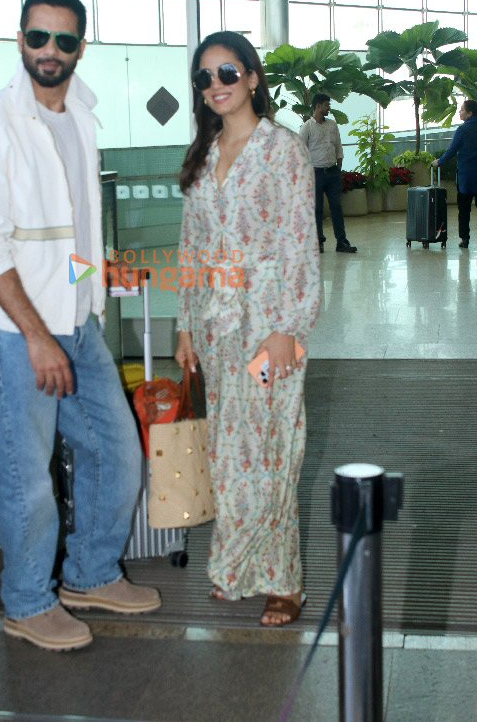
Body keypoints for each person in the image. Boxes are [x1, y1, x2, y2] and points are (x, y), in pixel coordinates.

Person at [0, 0, 160, 651]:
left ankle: (90, 575)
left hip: (76, 320)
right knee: (25, 472)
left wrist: (98, 274)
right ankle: (27, 601)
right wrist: (38, 338)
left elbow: (63, 240)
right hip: (18, 334)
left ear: (80, 48)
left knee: (118, 451)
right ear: (19, 39)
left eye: (65, 41)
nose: (50, 52)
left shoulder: (80, 117)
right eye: (39, 38)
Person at [175, 31, 320, 627]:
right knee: (230, 453)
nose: (216, 86)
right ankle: (237, 564)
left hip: (269, 326)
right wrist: (186, 326)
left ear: (253, 79)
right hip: (216, 325)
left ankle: (285, 582)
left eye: (228, 73)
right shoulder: (203, 158)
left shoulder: (284, 150)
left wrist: (288, 328)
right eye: (205, 77)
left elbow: (299, 245)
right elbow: (191, 246)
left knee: (274, 451)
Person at [299, 94, 357, 253]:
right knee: (316, 209)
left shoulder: (332, 125)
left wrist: (339, 169)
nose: (329, 108)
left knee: (336, 207)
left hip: (332, 173)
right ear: (318, 106)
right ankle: (318, 242)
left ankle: (342, 242)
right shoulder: (307, 127)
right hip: (315, 174)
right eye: (326, 105)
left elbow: (338, 147)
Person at [432, 99, 477, 249]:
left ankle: (465, 239)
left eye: (462, 110)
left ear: (470, 113)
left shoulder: (463, 130)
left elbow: (452, 150)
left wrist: (440, 162)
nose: (460, 112)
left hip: (466, 178)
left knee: (464, 210)